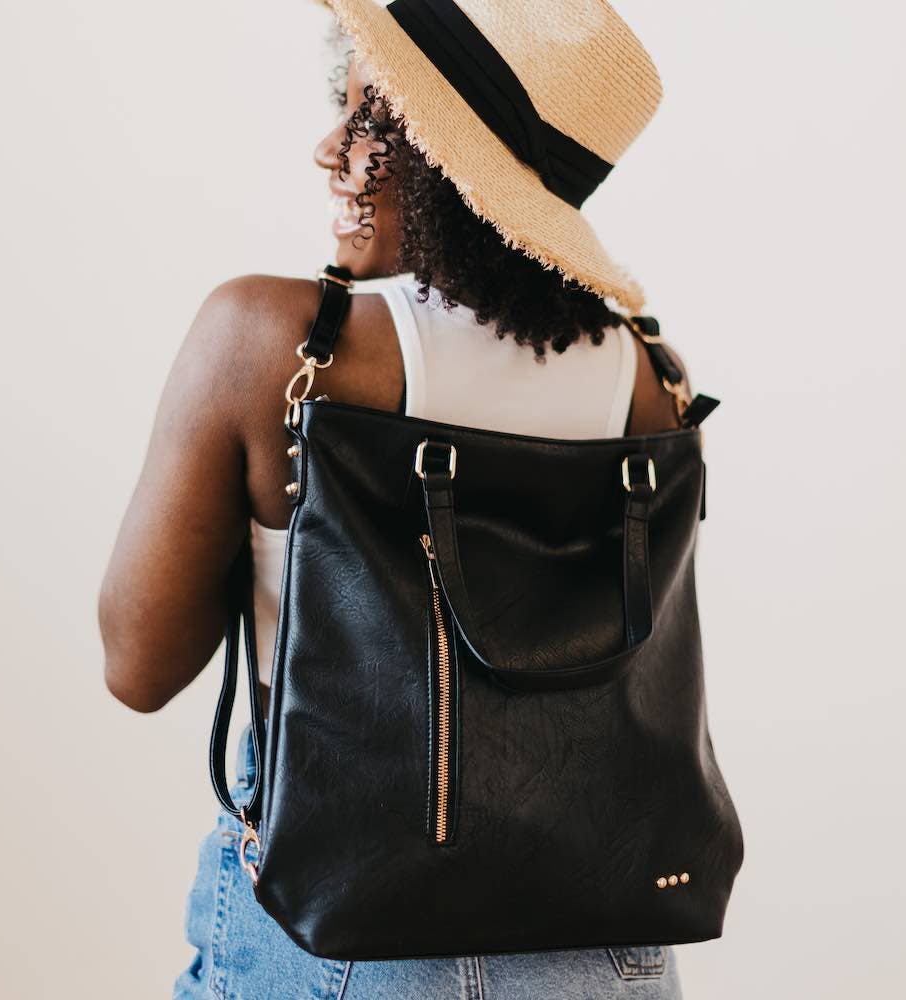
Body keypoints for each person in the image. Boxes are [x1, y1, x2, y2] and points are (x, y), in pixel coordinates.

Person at [99, 2, 691, 996]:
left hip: (343, 938)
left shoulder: (274, 342)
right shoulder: (647, 375)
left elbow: (138, 664)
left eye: (370, 118)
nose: (329, 146)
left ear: (452, 162)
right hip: (609, 939)